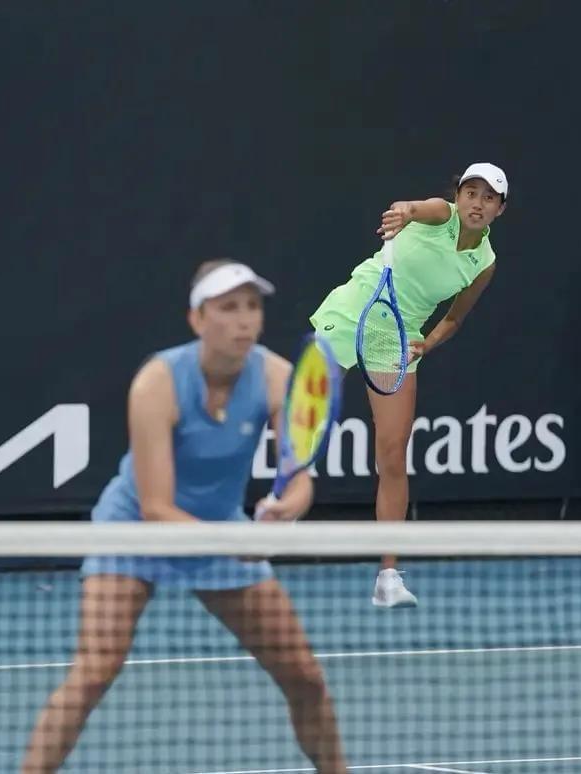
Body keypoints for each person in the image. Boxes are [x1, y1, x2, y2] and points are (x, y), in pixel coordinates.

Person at [21, 260, 347, 773]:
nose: (244, 320)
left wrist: (289, 506)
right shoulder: (158, 383)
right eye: (228, 308)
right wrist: (236, 543)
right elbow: (156, 508)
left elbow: (298, 473)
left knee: (304, 677)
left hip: (220, 528)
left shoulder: (277, 376)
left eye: (252, 307)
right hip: (134, 530)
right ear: (197, 319)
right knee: (94, 672)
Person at [309, 162, 507, 607]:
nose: (477, 203)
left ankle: (388, 577)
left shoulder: (484, 263)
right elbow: (415, 208)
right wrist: (403, 212)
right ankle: (259, 530)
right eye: (470, 193)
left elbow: (454, 317)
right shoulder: (440, 213)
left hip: (396, 339)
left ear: (500, 209)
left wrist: (427, 344)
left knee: (393, 455)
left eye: (488, 197)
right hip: (352, 313)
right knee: (300, 424)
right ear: (458, 196)